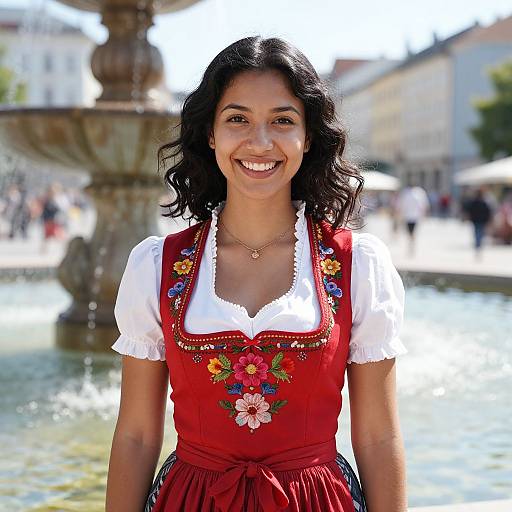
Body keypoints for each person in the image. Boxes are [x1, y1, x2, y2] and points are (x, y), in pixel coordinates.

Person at [106, 37, 408, 512]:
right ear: (211, 132)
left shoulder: (358, 264)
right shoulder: (157, 266)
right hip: (192, 501)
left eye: (283, 121)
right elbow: (137, 436)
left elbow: (376, 436)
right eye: (238, 119)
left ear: (307, 137)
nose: (260, 142)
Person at [397, 182, 429, 256]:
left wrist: (400, 214)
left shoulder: (407, 193)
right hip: (414, 216)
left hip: (409, 216)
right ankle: (412, 244)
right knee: (412, 232)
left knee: (410, 232)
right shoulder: (419, 192)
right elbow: (424, 205)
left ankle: (411, 244)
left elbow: (401, 205)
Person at [463, 188, 492, 259]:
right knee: (480, 232)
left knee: (477, 232)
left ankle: (477, 244)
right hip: (481, 221)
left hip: (476, 220)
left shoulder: (475, 202)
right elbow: (488, 212)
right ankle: (478, 244)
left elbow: (469, 210)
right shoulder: (483, 202)